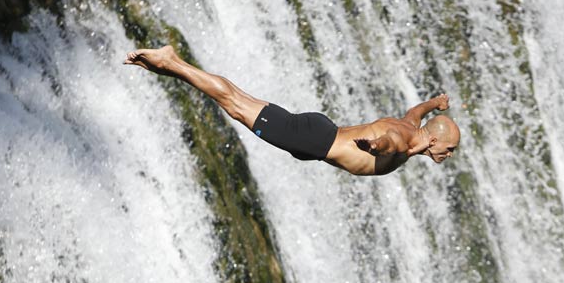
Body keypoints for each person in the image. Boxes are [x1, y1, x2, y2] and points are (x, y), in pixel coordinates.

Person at [124, 46, 460, 176]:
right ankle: (171, 61)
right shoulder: (403, 140)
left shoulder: (414, 124)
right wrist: (374, 147)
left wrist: (436, 103)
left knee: (239, 99)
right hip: (313, 140)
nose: (450, 154)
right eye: (450, 148)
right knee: (237, 105)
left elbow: (416, 110)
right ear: (434, 139)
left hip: (319, 134)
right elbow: (390, 141)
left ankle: (170, 65)